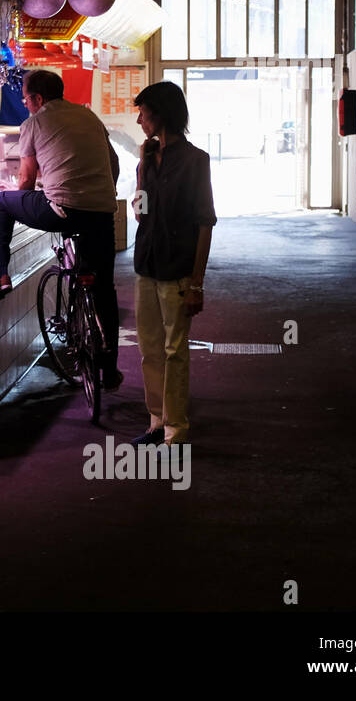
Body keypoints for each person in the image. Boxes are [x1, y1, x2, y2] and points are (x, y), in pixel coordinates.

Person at [0, 69, 123, 389]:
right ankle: (109, 370)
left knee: (2, 202)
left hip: (61, 211)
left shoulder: (32, 124)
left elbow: (25, 181)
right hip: (102, 213)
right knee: (105, 289)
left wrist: (42, 192)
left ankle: (1, 276)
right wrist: (99, 196)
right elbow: (113, 163)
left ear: (36, 99)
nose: (25, 105)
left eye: (25, 99)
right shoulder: (90, 118)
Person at [130, 81, 216, 448]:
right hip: (146, 265)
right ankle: (156, 422)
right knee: (150, 349)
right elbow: (141, 215)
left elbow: (205, 222)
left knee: (174, 352)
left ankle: (175, 434)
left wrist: (197, 282)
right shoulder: (148, 160)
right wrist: (139, 172)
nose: (139, 120)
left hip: (177, 270)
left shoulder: (196, 160)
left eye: (144, 113)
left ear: (160, 115)